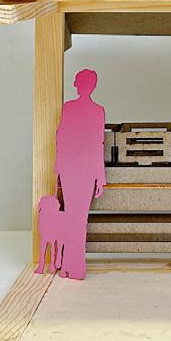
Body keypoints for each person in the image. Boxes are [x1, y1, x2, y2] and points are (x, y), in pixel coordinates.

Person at [53, 68, 106, 280]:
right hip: (78, 169)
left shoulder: (76, 108)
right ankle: (72, 265)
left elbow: (95, 143)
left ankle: (72, 265)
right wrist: (99, 177)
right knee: (77, 218)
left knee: (75, 217)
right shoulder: (92, 110)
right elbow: (63, 138)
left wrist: (100, 177)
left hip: (76, 168)